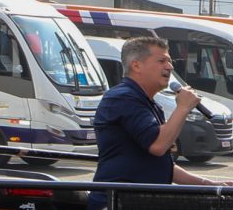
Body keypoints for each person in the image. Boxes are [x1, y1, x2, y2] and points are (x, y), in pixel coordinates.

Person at [91, 36, 216, 189]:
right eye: (162, 61)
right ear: (136, 66)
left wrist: (208, 184)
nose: (170, 67)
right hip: (118, 204)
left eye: (170, 61)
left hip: (141, 200)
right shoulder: (122, 97)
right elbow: (158, 145)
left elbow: (162, 165)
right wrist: (183, 108)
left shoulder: (148, 103)